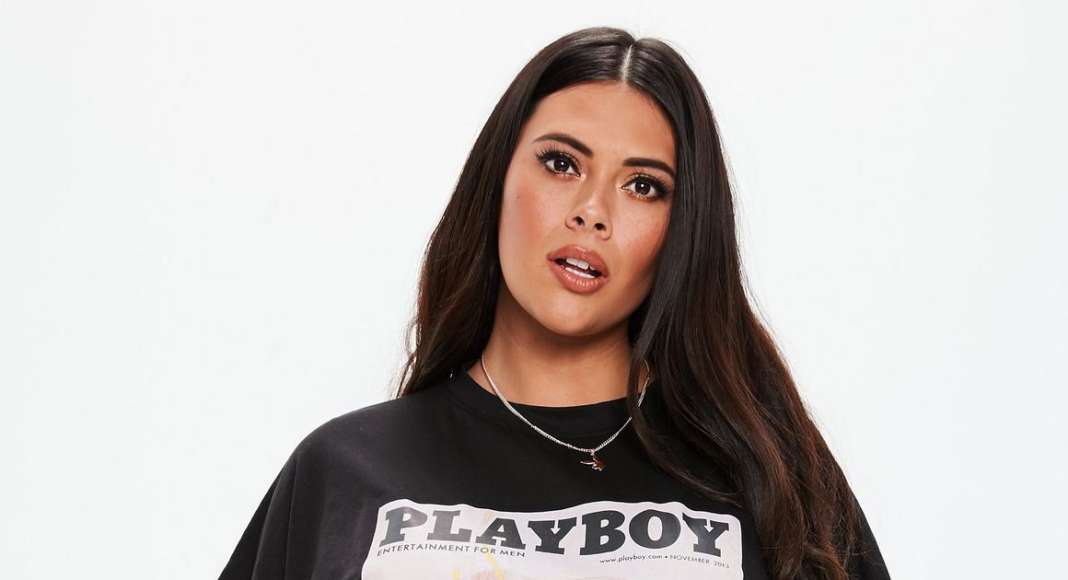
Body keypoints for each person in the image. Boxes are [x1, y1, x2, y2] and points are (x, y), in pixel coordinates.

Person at [218, 26, 891, 580]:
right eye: (562, 164)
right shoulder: (344, 470)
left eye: (643, 186)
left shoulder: (772, 480)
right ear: (497, 180)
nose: (592, 212)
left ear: (681, 230)